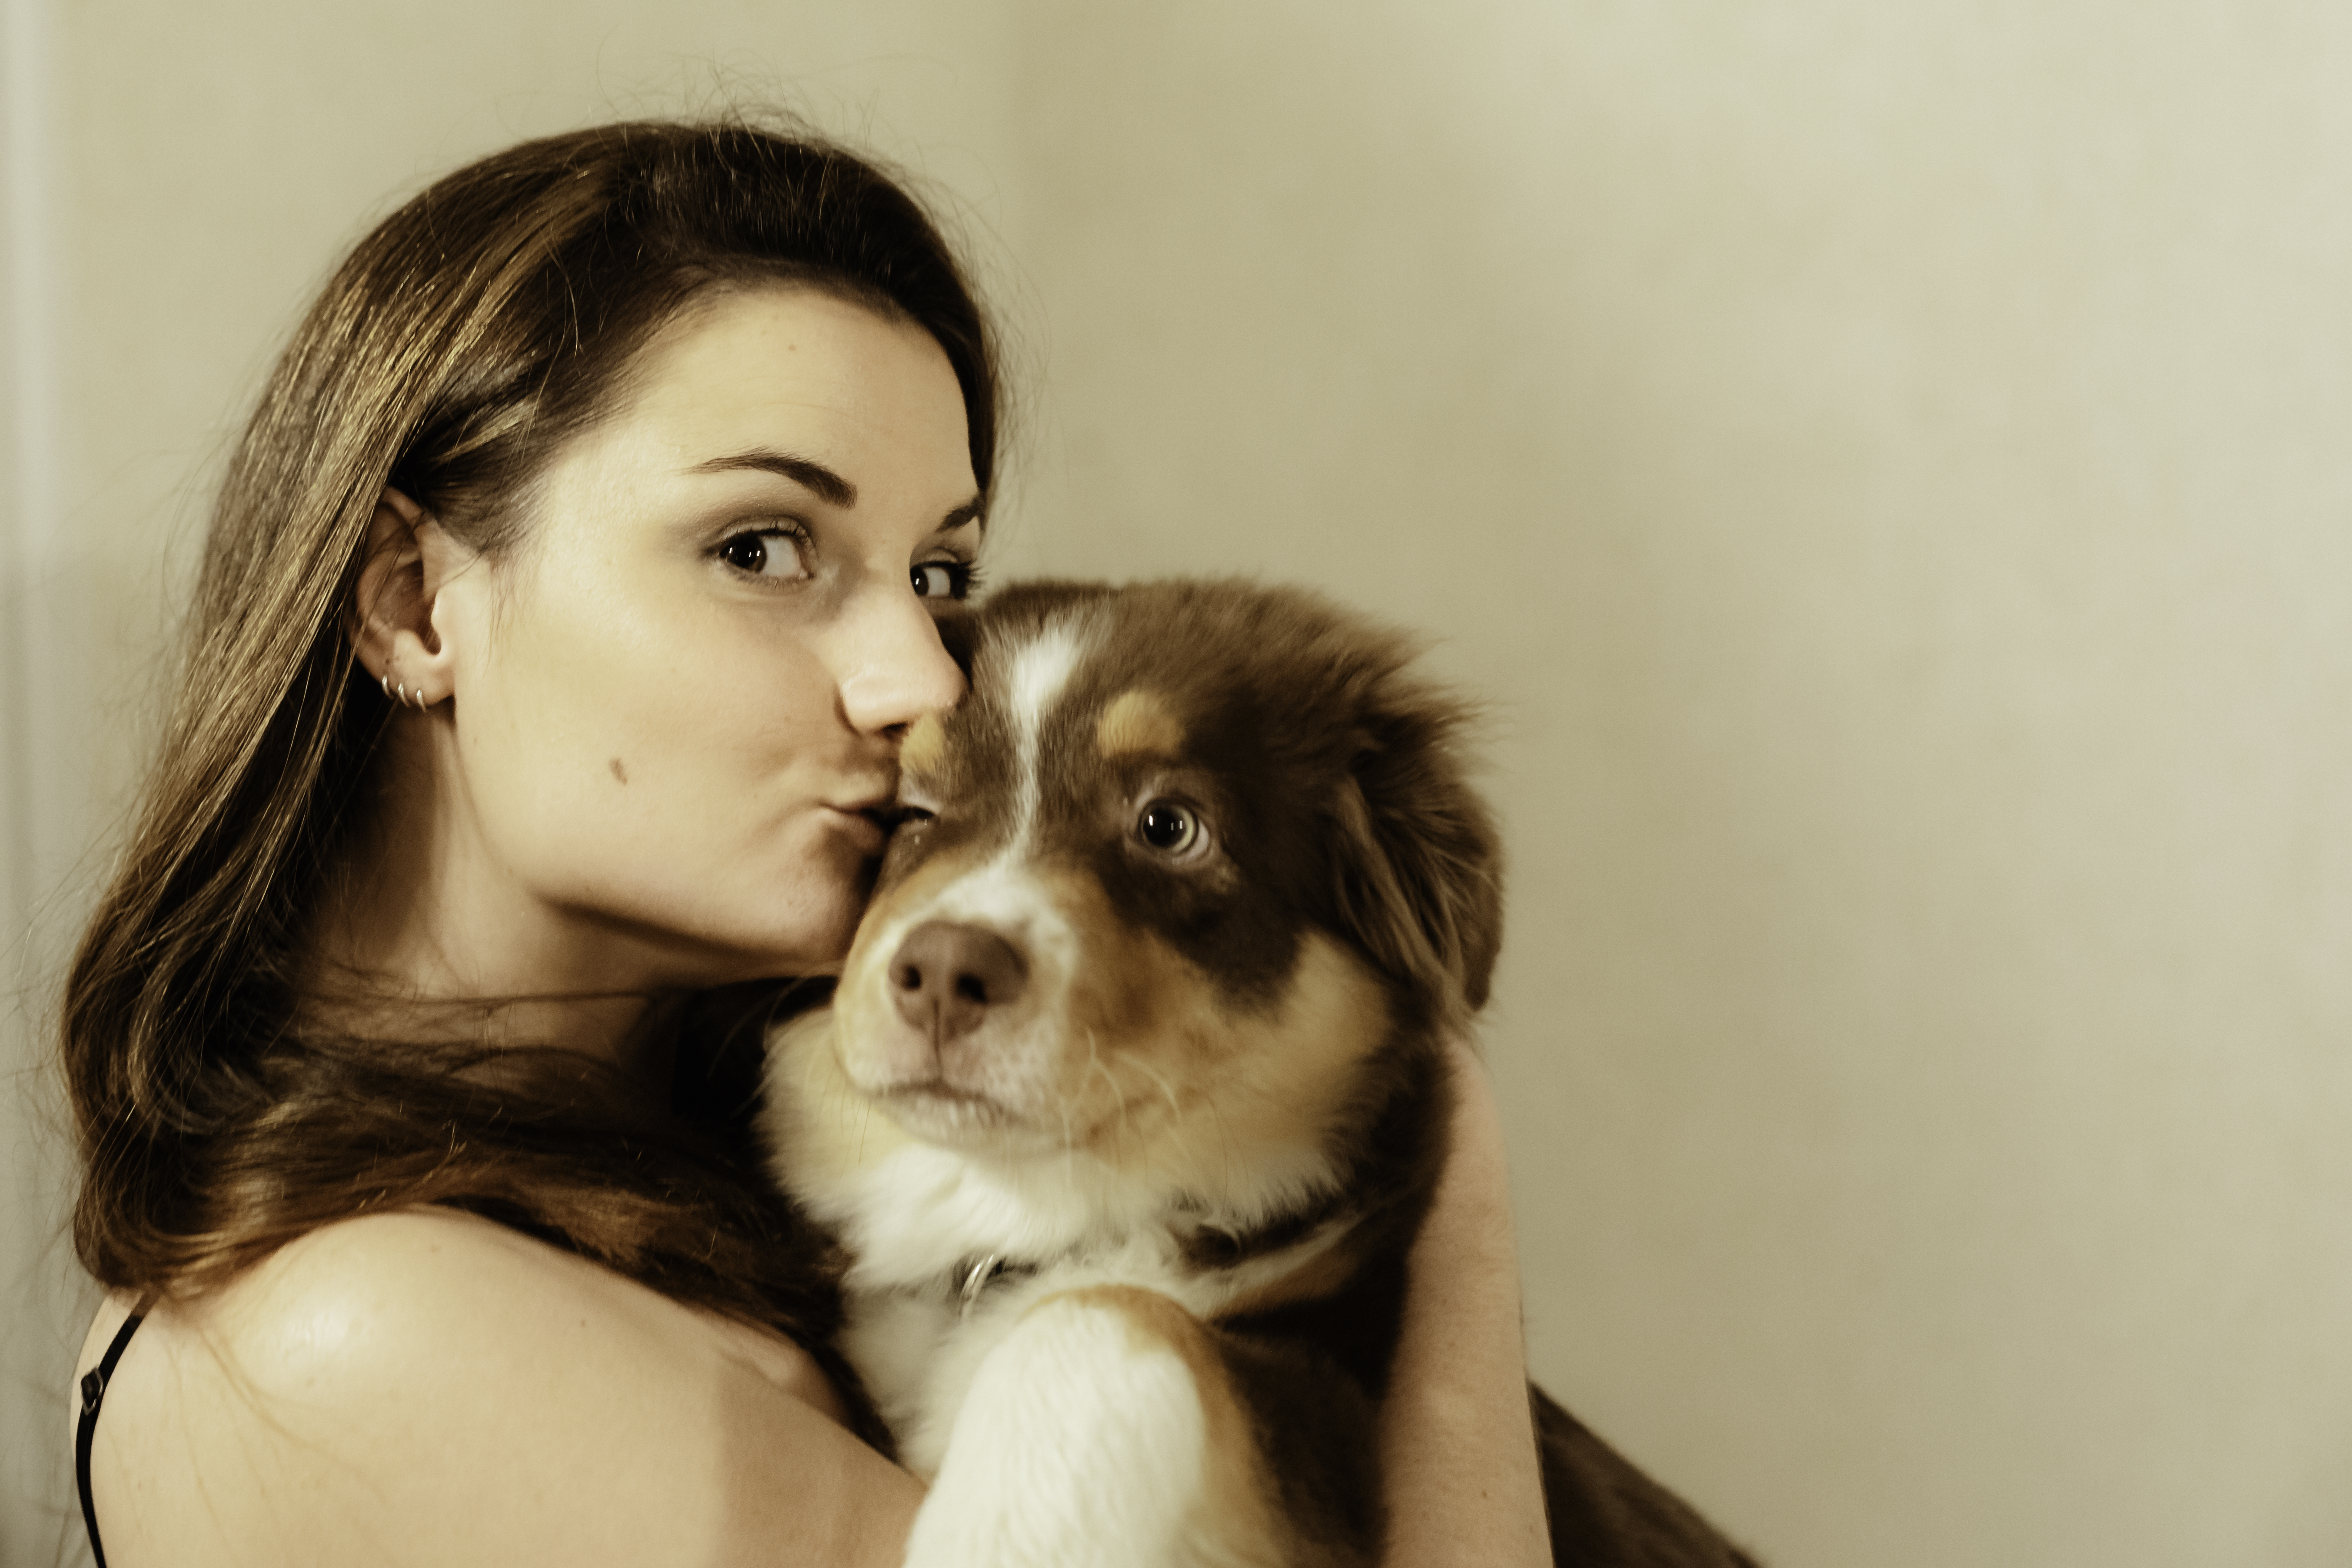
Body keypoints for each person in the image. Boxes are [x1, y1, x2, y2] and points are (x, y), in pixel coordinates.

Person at [61, 118, 1551, 1567]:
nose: (917, 675)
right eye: (762, 547)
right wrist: (1444, 1173)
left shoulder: (748, 1147)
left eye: (938, 567)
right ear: (412, 601)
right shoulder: (364, 1333)